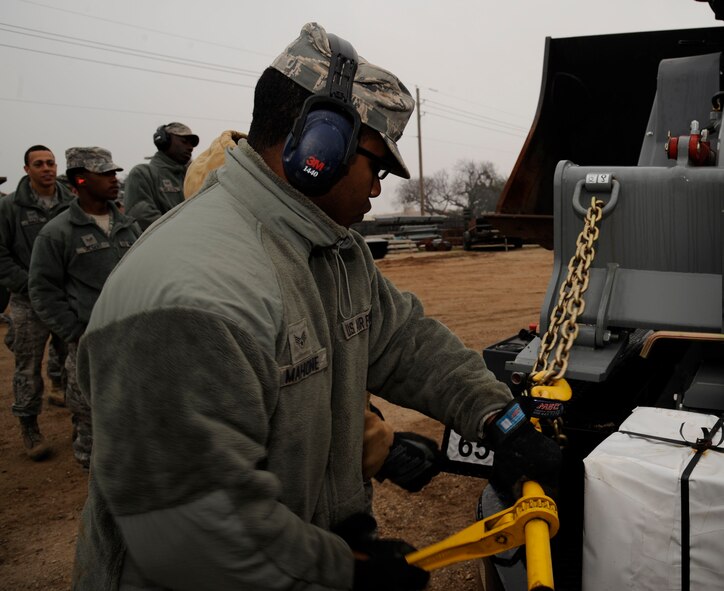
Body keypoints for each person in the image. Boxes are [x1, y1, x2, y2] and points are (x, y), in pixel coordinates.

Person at [72, 23, 560, 591]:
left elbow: (403, 342)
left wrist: (502, 423)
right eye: (376, 166)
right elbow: (197, 533)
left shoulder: (333, 249)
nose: (377, 189)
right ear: (321, 145)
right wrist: (343, 572)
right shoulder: (197, 296)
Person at [28, 147, 141, 470]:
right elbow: (42, 290)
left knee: (134, 411)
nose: (113, 179)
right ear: (80, 179)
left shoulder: (127, 225)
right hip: (89, 344)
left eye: (114, 172)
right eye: (104, 173)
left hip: (130, 339)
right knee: (90, 419)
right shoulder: (57, 233)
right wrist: (75, 332)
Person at [0, 145, 74, 460]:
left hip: (63, 299)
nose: (47, 168)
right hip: (28, 301)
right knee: (27, 367)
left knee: (73, 363)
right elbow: (1, 254)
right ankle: (30, 427)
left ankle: (80, 424)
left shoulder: (70, 202)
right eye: (39, 164)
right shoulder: (10, 207)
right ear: (27, 169)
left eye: (51, 162)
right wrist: (29, 285)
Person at [123, 121, 199, 231]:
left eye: (192, 144)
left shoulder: (191, 177)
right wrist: (183, 233)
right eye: (184, 141)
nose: (190, 147)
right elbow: (142, 215)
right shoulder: (143, 173)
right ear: (164, 141)